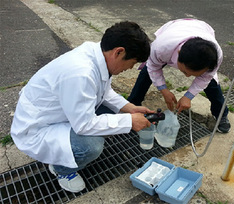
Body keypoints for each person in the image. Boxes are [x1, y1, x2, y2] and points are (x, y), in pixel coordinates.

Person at [10, 21, 153, 193]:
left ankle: (64, 155)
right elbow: (84, 125)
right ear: (119, 52)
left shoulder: (98, 54)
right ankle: (61, 169)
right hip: (38, 127)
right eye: (132, 63)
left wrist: (129, 108)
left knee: (111, 113)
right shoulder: (81, 73)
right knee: (91, 146)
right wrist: (129, 121)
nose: (129, 68)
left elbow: (104, 91)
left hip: (59, 113)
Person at [128, 18, 231, 133]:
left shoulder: (215, 56)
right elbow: (154, 67)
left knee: (211, 82)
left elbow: (205, 78)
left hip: (201, 29)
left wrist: (188, 96)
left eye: (193, 74)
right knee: (148, 71)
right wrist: (164, 90)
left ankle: (221, 114)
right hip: (174, 29)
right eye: (185, 72)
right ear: (178, 53)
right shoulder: (161, 47)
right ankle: (133, 104)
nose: (187, 77)